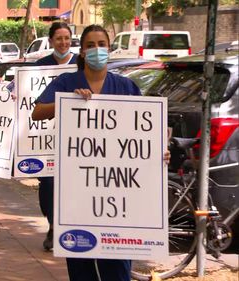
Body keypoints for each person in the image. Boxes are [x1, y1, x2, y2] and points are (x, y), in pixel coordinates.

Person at [32, 24, 156, 281]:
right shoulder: (67, 82)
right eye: (90, 45)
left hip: (117, 193)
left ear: (109, 49)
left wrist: (157, 154)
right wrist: (67, 101)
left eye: (102, 44)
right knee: (81, 267)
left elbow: (144, 135)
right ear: (81, 51)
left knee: (118, 268)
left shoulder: (126, 86)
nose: (97, 50)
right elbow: (38, 112)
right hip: (78, 191)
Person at [34, 22, 78, 251]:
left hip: (76, 135)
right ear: (51, 41)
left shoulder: (80, 64)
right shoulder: (40, 66)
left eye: (67, 38)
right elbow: (27, 97)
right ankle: (53, 225)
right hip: (45, 137)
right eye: (58, 38)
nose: (63, 42)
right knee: (49, 184)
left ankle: (68, 226)